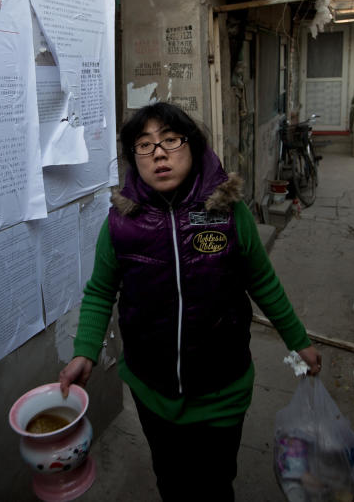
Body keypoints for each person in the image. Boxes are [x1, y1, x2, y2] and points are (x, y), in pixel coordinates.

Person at [59, 102, 322, 501]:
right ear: (134, 158)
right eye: (144, 146)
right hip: (152, 392)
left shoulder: (229, 213)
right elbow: (100, 291)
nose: (158, 153)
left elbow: (262, 281)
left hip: (223, 389)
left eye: (169, 140)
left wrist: (297, 340)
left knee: (215, 484)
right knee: (171, 481)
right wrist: (85, 351)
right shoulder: (120, 225)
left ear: (193, 146)